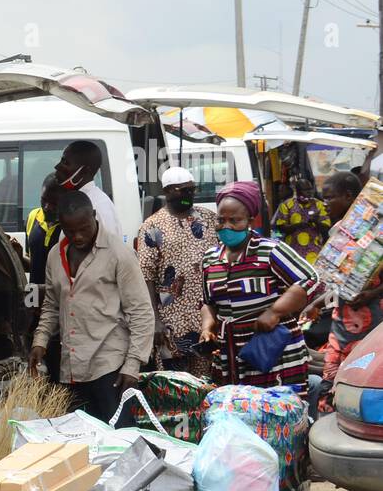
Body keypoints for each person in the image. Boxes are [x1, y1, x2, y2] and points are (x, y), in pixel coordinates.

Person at [30, 189, 154, 422]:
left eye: (84, 228)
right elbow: (51, 305)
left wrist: (132, 365)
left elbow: (141, 312)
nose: (77, 236)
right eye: (70, 231)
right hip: (72, 366)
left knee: (120, 441)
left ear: (94, 216)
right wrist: (40, 341)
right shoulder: (55, 256)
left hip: (110, 365)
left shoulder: (119, 254)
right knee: (83, 444)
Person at [199, 180, 322, 395]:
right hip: (231, 357)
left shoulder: (270, 251)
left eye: (234, 220)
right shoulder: (210, 258)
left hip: (272, 352)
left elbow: (311, 279)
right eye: (221, 220)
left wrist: (275, 312)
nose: (226, 226)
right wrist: (207, 327)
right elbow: (208, 302)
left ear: (250, 220)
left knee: (277, 415)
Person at [136, 167, 219, 376]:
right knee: (177, 386)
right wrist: (154, 321)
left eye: (192, 190)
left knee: (206, 380)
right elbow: (146, 275)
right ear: (169, 191)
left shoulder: (209, 219)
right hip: (171, 322)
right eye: (183, 191)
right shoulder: (152, 225)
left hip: (206, 318)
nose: (189, 195)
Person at [320, 170, 383, 395]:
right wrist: (315, 304)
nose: (324, 203)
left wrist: (373, 293)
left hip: (374, 320)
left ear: (348, 196)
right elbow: (338, 279)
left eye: (329, 197)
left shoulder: (378, 233)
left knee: (368, 374)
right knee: (333, 376)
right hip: (343, 320)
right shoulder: (340, 232)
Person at [26, 174, 63, 380]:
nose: (47, 207)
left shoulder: (70, 229)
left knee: (55, 357)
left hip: (55, 302)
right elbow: (34, 263)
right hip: (33, 300)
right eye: (44, 201)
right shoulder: (33, 217)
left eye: (54, 203)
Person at [52, 140, 122, 241]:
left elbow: (107, 253)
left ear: (84, 171)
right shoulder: (79, 200)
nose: (57, 166)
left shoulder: (99, 206)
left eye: (65, 162)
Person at [272, 175, 332, 265]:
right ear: (298, 191)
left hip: (314, 252)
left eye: (310, 189)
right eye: (306, 190)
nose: (310, 192)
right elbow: (281, 228)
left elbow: (326, 228)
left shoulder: (319, 204)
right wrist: (300, 225)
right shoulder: (287, 205)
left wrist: (316, 221)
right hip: (293, 252)